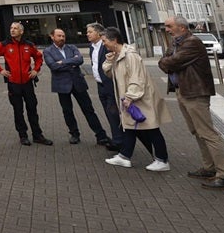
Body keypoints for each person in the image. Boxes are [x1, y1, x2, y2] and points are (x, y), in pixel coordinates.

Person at [158, 15, 224, 191]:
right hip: (183, 91)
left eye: (170, 26)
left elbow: (170, 62)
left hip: (195, 92)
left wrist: (167, 62)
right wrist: (166, 62)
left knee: (207, 133)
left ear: (182, 28)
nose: (167, 29)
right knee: (197, 131)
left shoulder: (192, 43)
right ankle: (209, 168)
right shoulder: (176, 43)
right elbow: (164, 61)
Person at [101, 27, 171, 171]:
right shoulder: (119, 55)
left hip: (139, 99)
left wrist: (130, 97)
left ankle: (162, 160)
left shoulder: (130, 56)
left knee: (151, 129)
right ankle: (124, 156)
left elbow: (137, 78)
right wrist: (110, 60)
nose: (103, 44)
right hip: (131, 99)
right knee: (130, 128)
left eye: (105, 41)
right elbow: (110, 74)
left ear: (114, 40)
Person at [42, 28, 111, 146]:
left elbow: (79, 60)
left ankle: (101, 135)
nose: (62, 38)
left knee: (88, 110)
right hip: (62, 86)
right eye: (59, 36)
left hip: (78, 83)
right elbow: (53, 66)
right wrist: (71, 62)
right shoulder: (48, 51)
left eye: (63, 36)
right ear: (52, 37)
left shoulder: (72, 47)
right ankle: (74, 134)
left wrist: (62, 62)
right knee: (67, 111)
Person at [0, 22, 52, 146]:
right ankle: (23, 135)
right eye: (11, 28)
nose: (12, 30)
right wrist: (0, 70)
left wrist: (35, 70)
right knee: (18, 110)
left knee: (32, 109)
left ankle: (37, 135)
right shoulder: (5, 44)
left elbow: (39, 57)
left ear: (21, 31)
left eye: (15, 28)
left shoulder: (29, 45)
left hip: (28, 83)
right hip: (13, 84)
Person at [87, 22, 122, 152]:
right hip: (100, 85)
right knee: (108, 113)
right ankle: (117, 137)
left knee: (113, 113)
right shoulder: (91, 47)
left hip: (110, 84)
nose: (87, 34)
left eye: (90, 32)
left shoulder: (106, 45)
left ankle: (119, 141)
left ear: (98, 33)